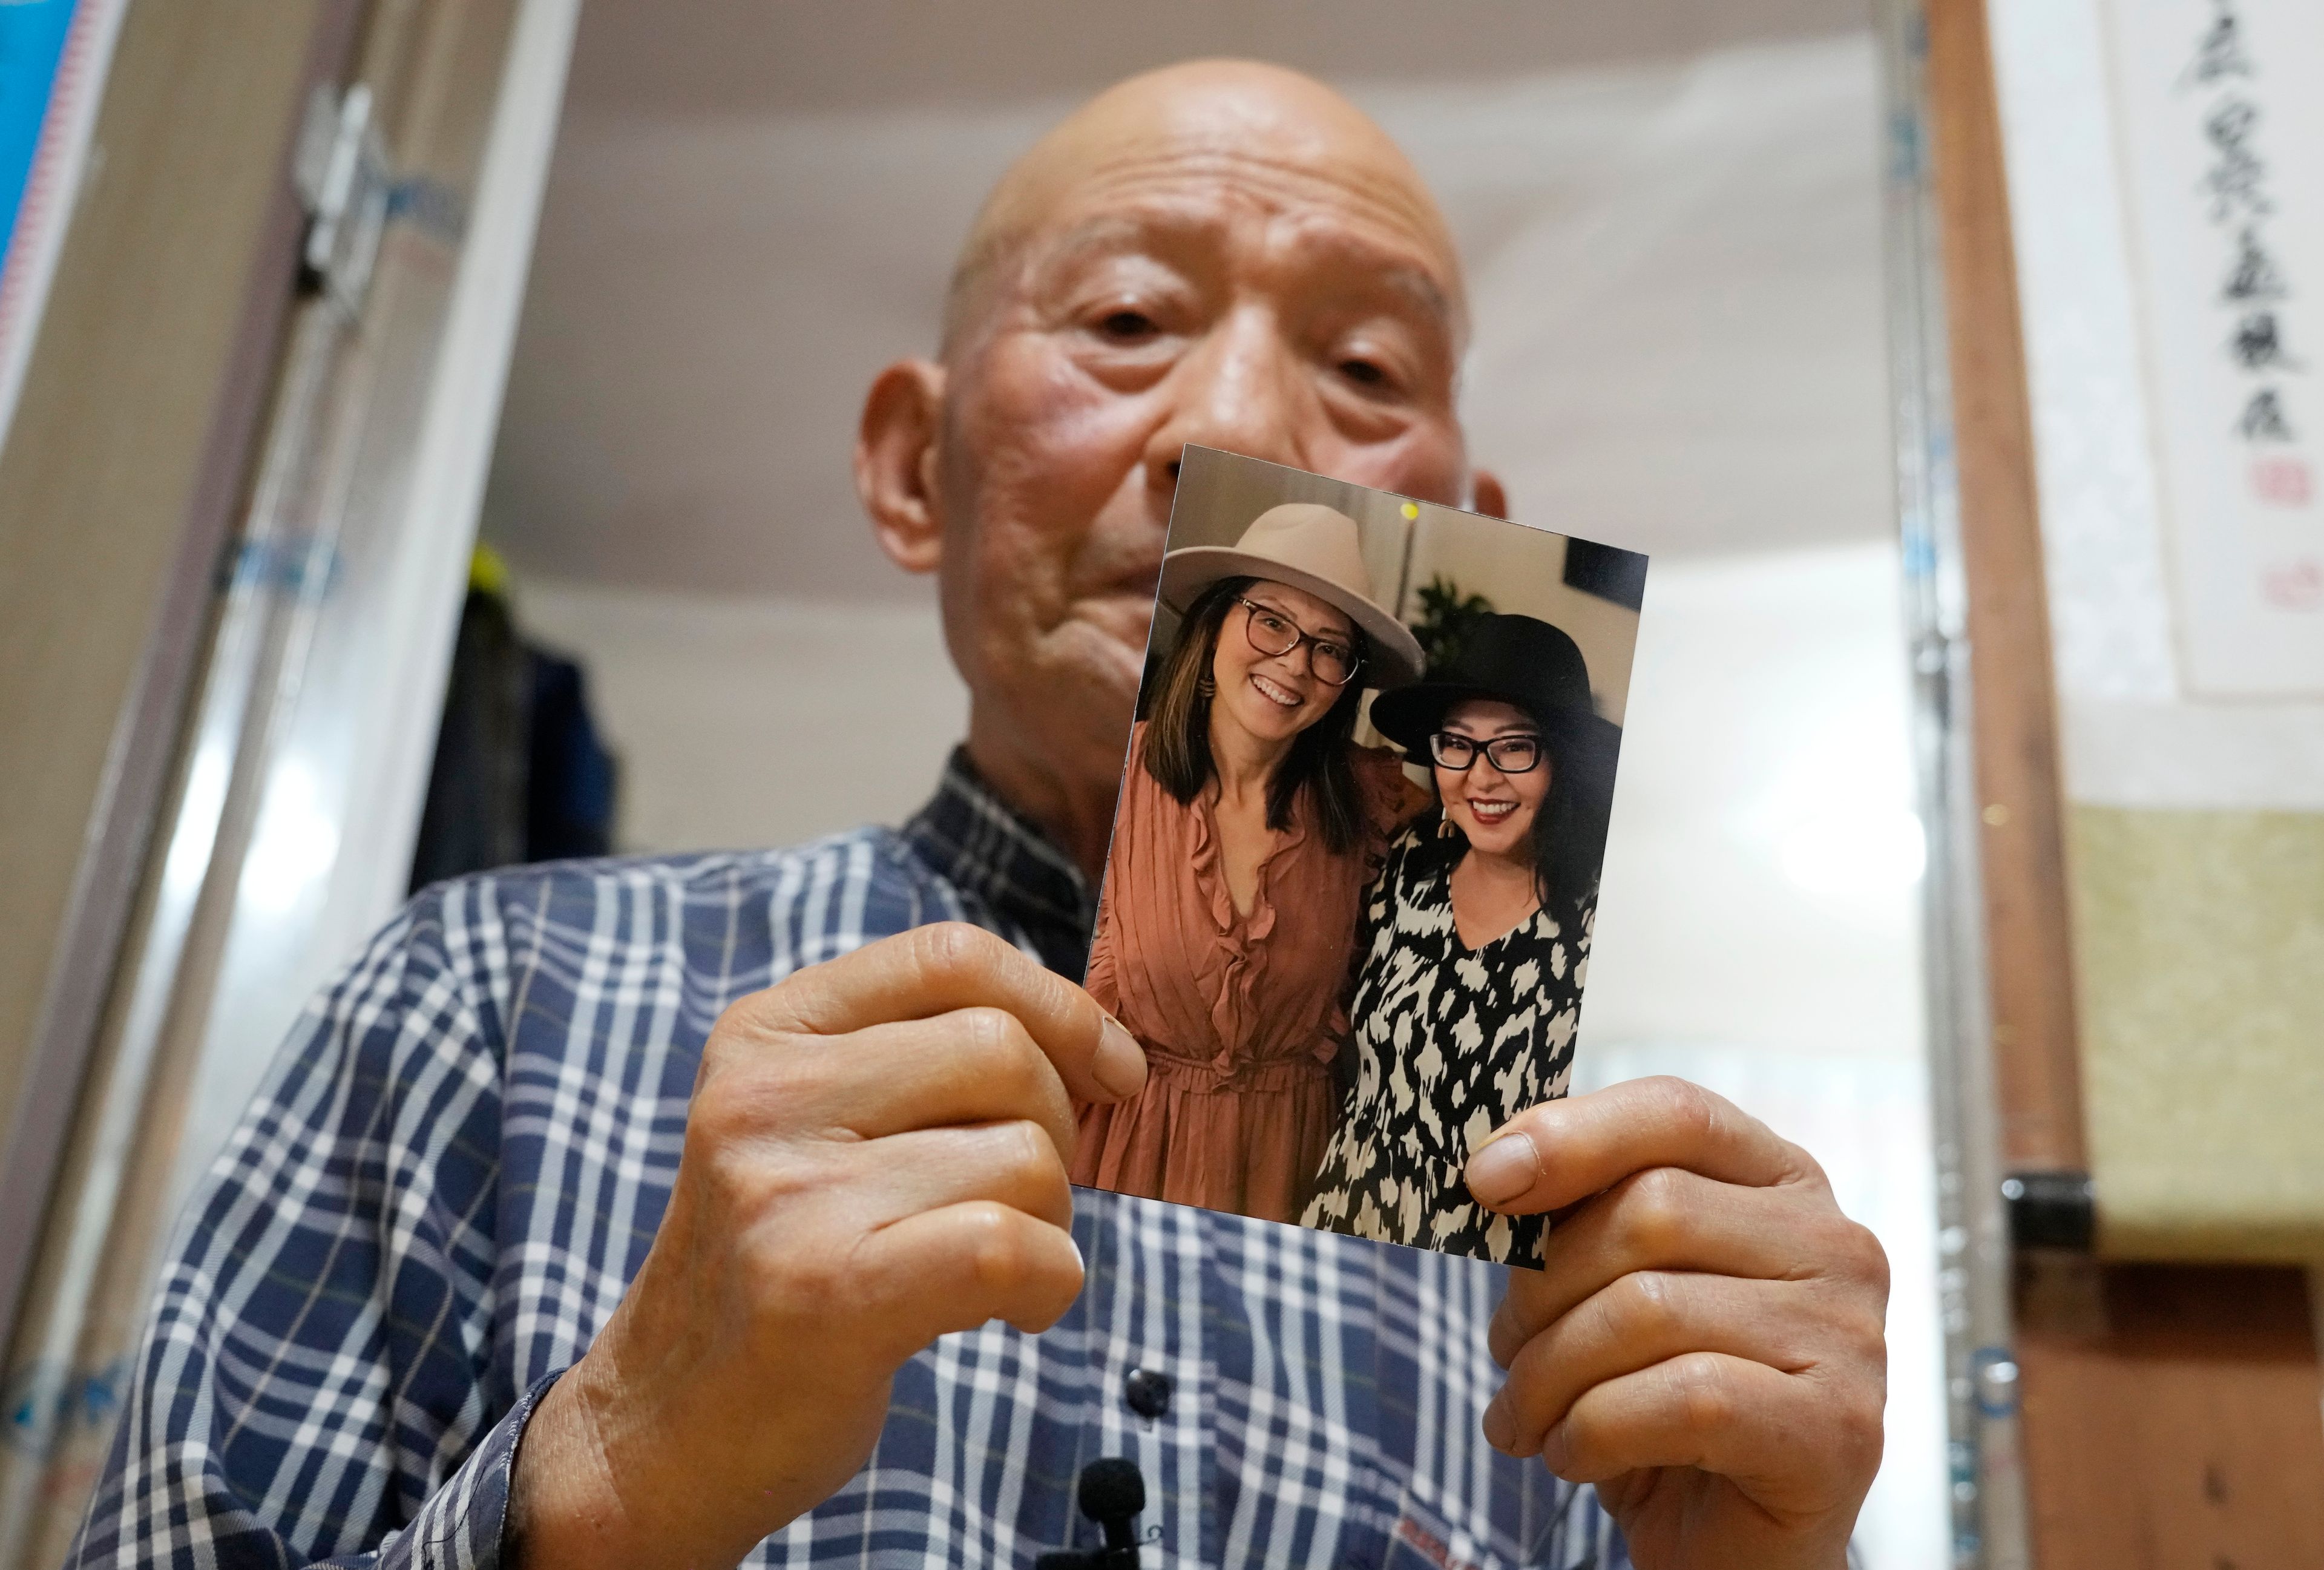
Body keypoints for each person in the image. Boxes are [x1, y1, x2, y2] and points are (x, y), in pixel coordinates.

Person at [70, 60, 1888, 1570]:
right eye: (1121, 322)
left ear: (1464, 536)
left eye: (1366, 376)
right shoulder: (490, 993)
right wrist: (616, 1464)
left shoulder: (1567, 1259)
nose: (1242, 433)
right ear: (906, 469)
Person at [1072, 502, 1425, 1221]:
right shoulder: (1104, 768)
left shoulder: (1377, 801)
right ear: (1213, 625)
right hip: (1113, 1165)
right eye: (1271, 620)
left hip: (1287, 1179)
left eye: (1330, 648)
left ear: (1346, 681)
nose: (1295, 663)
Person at [1305, 613, 1619, 1267]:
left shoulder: (1600, 925)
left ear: (1562, 759)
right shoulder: (1410, 866)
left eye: (1513, 746)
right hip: (1343, 1220)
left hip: (1488, 1268)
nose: (1480, 777)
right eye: (1457, 743)